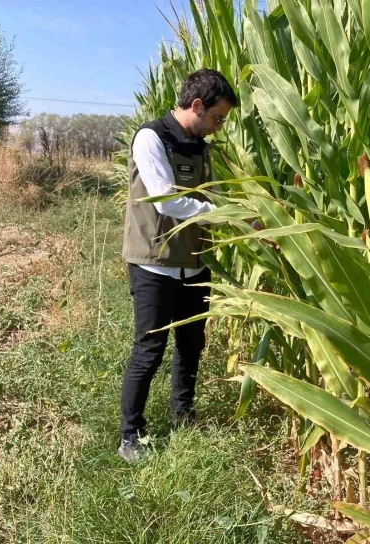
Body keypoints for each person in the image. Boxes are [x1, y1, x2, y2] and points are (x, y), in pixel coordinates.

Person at [118, 69, 238, 463]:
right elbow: (166, 200)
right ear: (197, 105)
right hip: (154, 263)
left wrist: (245, 219)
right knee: (149, 349)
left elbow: (214, 193)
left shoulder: (201, 147)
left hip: (193, 262)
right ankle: (130, 435)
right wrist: (222, 213)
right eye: (217, 119)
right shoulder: (151, 138)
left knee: (191, 345)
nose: (217, 129)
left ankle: (183, 415)